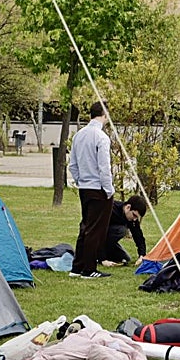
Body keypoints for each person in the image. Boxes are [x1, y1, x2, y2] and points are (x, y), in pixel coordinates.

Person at [68, 101, 114, 279]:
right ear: (104, 115)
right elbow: (104, 167)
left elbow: (73, 165)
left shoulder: (78, 135)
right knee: (95, 230)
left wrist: (81, 180)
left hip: (85, 188)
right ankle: (89, 268)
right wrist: (108, 190)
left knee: (85, 226)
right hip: (98, 188)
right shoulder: (101, 137)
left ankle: (77, 267)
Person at [100, 194, 147, 267]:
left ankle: (107, 255)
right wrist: (102, 259)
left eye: (137, 217)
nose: (134, 219)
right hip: (96, 240)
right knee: (122, 230)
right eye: (134, 215)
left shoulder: (132, 219)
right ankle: (98, 255)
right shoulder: (110, 209)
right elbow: (99, 233)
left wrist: (142, 255)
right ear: (128, 207)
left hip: (108, 242)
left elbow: (138, 236)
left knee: (126, 258)